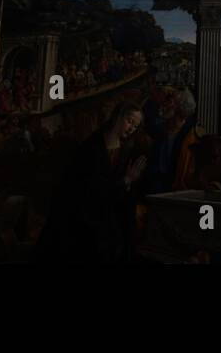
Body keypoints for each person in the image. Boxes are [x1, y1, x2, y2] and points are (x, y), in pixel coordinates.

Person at [35, 103, 147, 262]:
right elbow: (90, 191)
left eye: (135, 126)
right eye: (130, 121)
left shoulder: (126, 151)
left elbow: (119, 195)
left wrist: (128, 184)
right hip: (83, 221)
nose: (131, 129)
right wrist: (126, 180)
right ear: (118, 117)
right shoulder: (93, 147)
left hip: (108, 218)